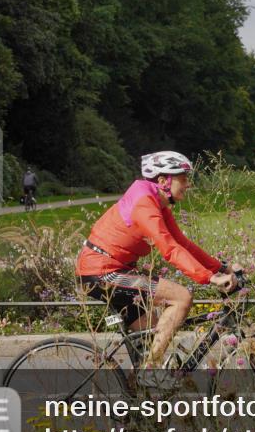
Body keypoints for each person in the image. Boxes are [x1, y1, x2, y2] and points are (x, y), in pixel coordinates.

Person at [75, 151, 240, 370]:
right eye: (183, 179)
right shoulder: (145, 203)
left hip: (116, 271)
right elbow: (169, 248)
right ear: (163, 180)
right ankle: (150, 371)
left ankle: (142, 387)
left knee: (152, 335)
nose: (187, 184)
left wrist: (221, 267)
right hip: (101, 273)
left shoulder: (157, 202)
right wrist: (210, 278)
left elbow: (182, 243)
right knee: (181, 297)